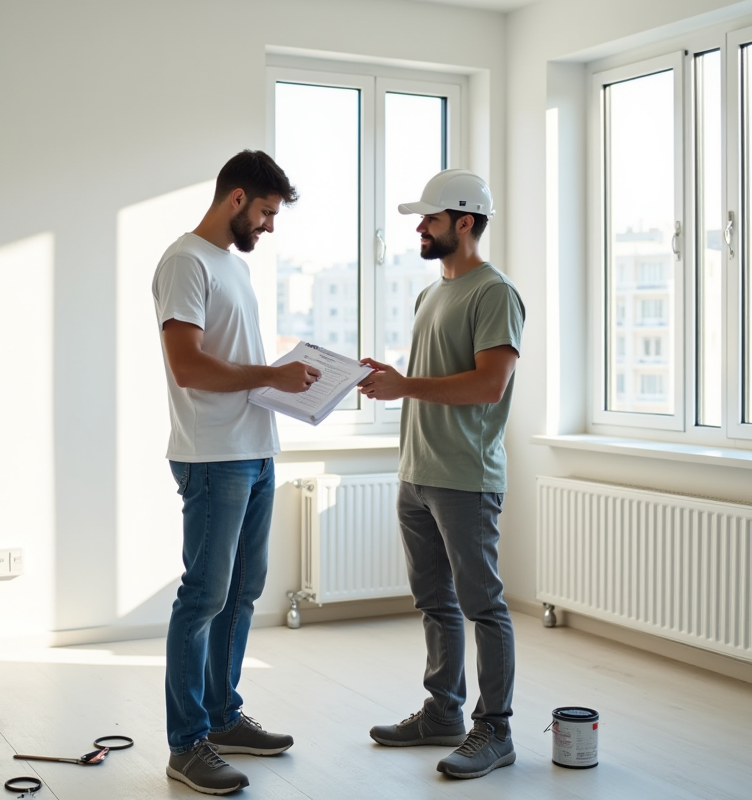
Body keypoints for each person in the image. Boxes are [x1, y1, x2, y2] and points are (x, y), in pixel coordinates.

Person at [152, 149, 321, 795]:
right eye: (267, 213)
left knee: (243, 592)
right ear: (237, 198)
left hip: (255, 450)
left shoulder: (234, 266)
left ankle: (222, 717)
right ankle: (186, 744)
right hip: (212, 456)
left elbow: (235, 362)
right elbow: (189, 367)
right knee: (202, 598)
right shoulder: (184, 263)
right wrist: (271, 373)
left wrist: (289, 380)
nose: (270, 226)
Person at [359, 169, 525, 780]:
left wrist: (405, 386)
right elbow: (433, 375)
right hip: (418, 471)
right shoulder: (431, 294)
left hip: (465, 477)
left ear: (465, 221)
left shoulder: (495, 293)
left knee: (483, 605)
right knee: (435, 601)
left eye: (429, 218)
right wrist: (392, 378)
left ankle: (496, 730)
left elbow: (489, 384)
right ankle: (443, 713)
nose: (420, 229)